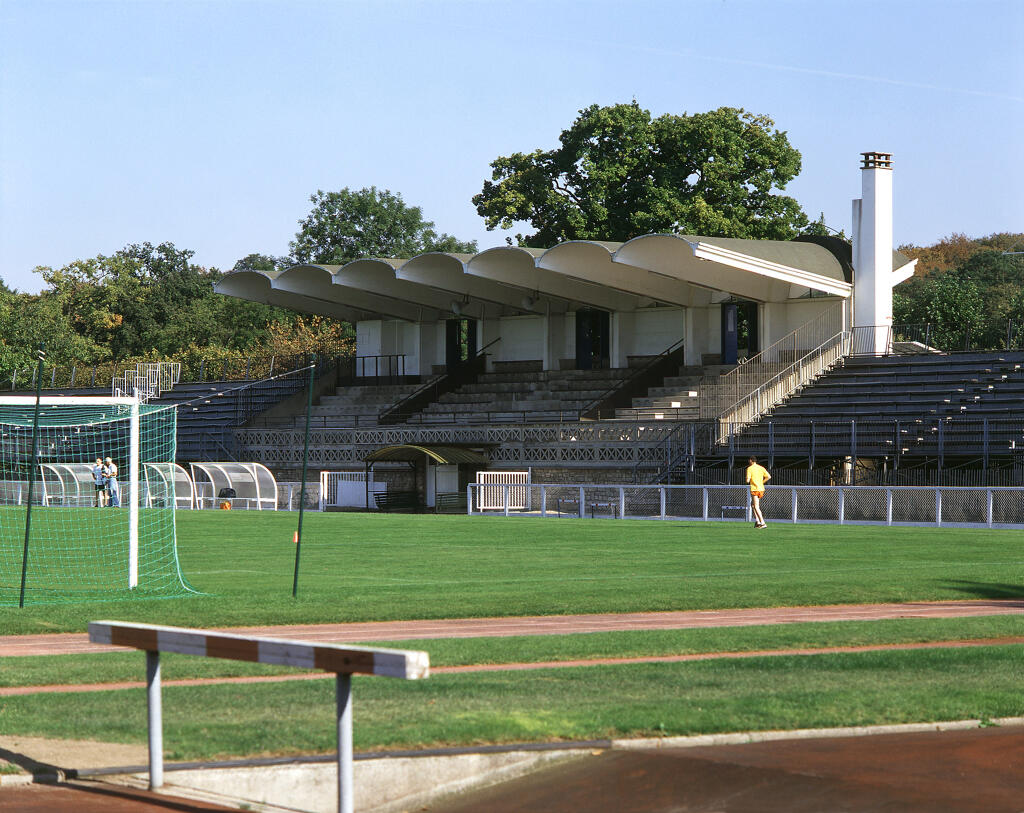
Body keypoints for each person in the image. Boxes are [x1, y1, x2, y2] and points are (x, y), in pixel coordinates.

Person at [745, 455, 770, 529]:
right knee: (753, 505)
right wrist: (762, 482)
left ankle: (762, 523)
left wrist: (747, 478)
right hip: (761, 489)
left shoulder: (749, 468)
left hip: (755, 489)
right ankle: (757, 522)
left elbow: (747, 480)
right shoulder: (761, 468)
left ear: (751, 460)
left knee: (756, 506)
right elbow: (768, 476)